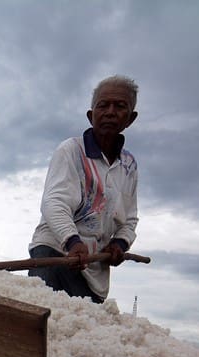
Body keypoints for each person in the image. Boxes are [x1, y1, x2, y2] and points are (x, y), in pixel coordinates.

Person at [28, 75, 139, 303]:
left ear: (131, 118)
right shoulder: (71, 151)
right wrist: (72, 241)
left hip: (94, 270)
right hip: (56, 256)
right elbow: (54, 202)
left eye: (119, 106)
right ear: (91, 115)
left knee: (81, 329)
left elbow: (129, 220)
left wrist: (119, 244)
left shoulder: (129, 165)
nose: (110, 112)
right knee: (47, 322)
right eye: (103, 105)